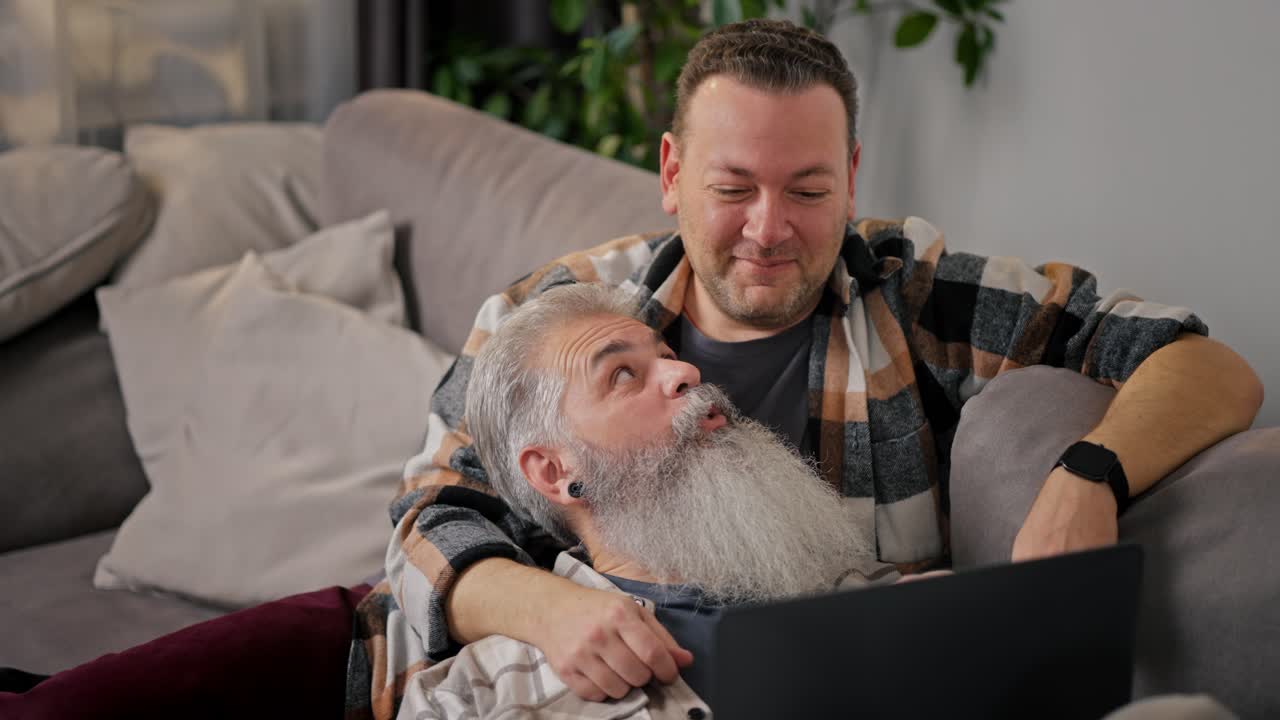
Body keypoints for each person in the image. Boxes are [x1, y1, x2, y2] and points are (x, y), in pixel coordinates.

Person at [345, 18, 1263, 720]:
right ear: (671, 174)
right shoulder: (551, 318)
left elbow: (1202, 360)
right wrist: (549, 611)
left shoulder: (911, 289)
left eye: (811, 190)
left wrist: (1090, 474)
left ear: (853, 177)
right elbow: (428, 529)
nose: (770, 229)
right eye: (733, 188)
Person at [395, 282, 887, 718]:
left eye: (668, 356)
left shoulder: (883, 607)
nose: (686, 373)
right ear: (554, 470)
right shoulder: (467, 698)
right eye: (623, 375)